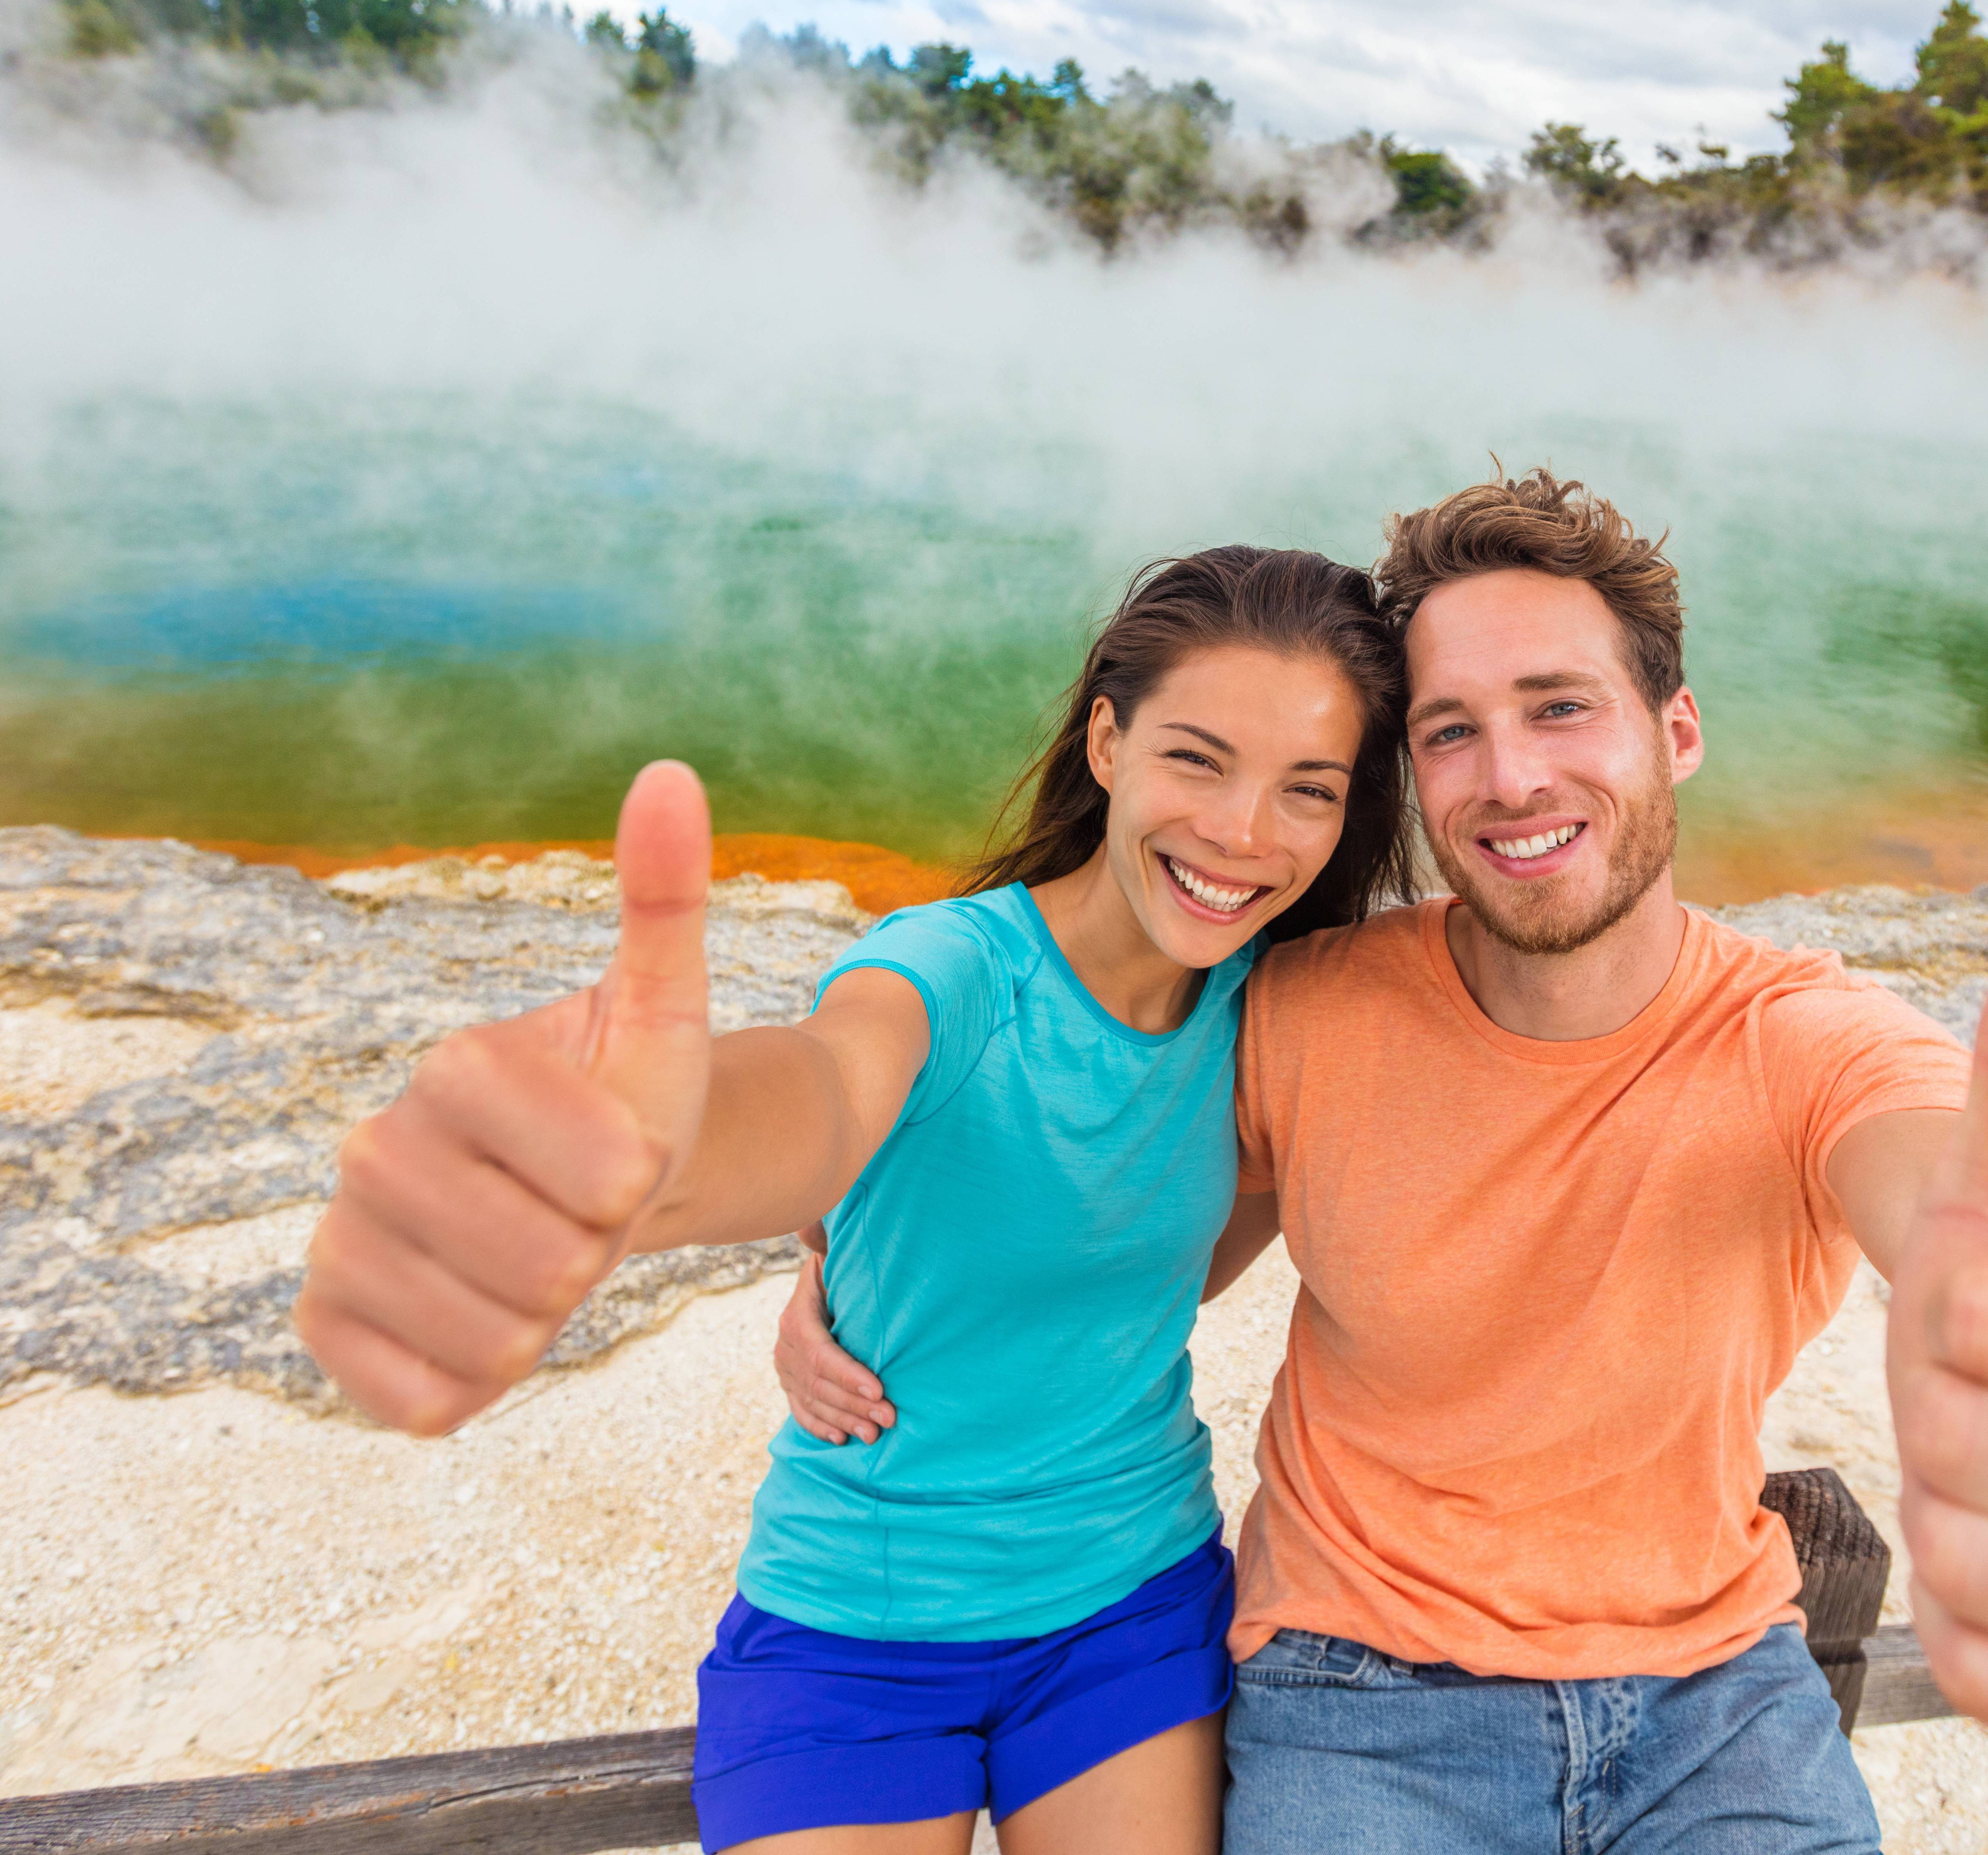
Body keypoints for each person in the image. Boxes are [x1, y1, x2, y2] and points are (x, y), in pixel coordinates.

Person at [777, 470, 1988, 1853]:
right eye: (1451, 731)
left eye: (1561, 708)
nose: (1508, 777)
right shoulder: (1307, 1003)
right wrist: (846, 1272)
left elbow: (1961, 1181)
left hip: (1718, 1698)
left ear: (1675, 732)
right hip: (1359, 1690)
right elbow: (1097, 1196)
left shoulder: (1809, 1038)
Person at [293, 545, 1418, 1854]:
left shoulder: (1280, 1019)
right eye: (1198, 758)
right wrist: (654, 1156)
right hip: (856, 1620)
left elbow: (1162, 1263)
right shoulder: (945, 970)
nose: (1243, 832)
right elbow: (826, 1095)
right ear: (1107, 741)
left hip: (1131, 1604)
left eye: (1309, 790)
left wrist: (852, 1276)